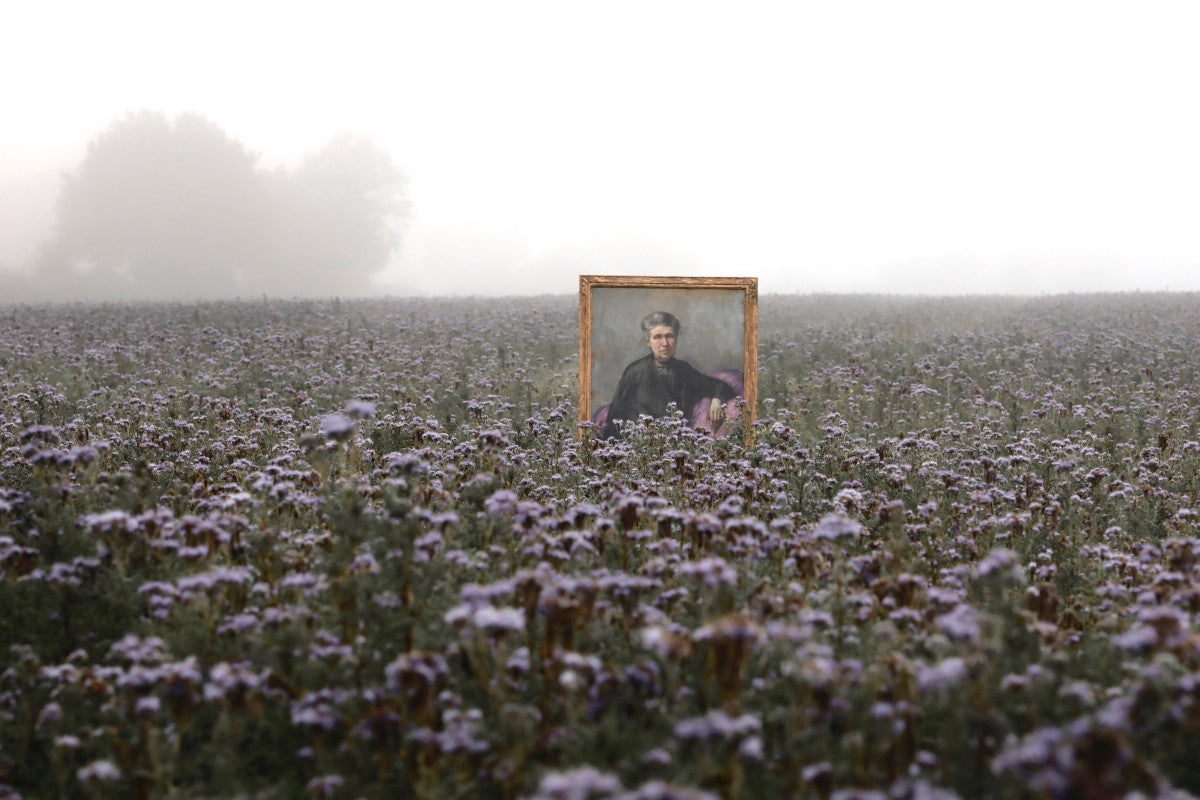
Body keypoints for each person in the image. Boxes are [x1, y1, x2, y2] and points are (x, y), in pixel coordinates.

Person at [601, 311, 737, 439]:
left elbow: (719, 386)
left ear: (676, 339)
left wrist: (717, 400)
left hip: (678, 443)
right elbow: (615, 417)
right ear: (648, 341)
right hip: (641, 443)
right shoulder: (634, 372)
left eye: (669, 336)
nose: (665, 343)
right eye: (657, 337)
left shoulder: (683, 369)